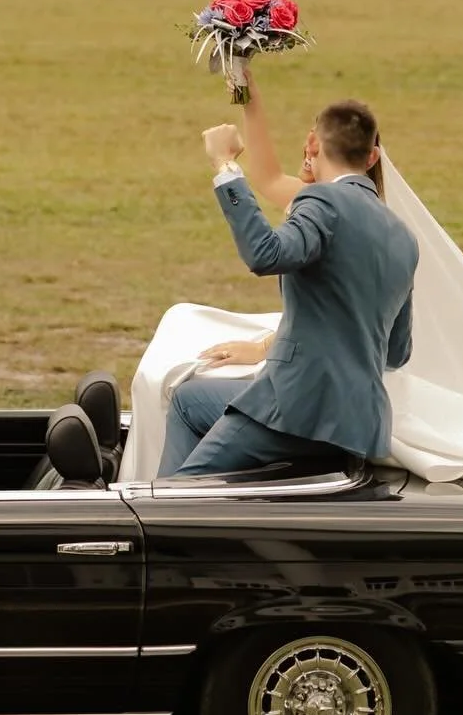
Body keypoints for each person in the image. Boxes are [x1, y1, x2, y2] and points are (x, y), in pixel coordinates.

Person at [157, 68, 418, 478]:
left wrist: (225, 164)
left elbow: (266, 254)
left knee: (176, 498)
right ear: (371, 157)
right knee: (189, 400)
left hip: (298, 407)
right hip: (360, 425)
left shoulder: (322, 202)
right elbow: (396, 351)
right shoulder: (403, 237)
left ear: (312, 144)